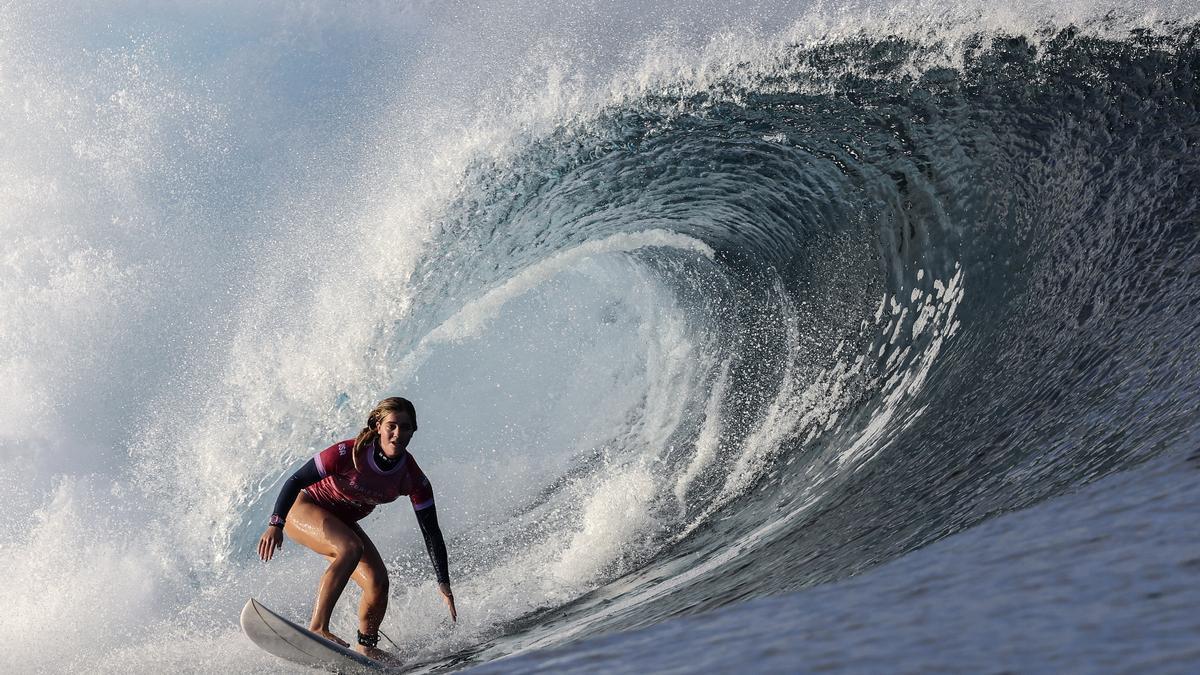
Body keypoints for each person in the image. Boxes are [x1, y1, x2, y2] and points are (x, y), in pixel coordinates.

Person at [256, 396, 456, 661]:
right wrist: (275, 524)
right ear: (377, 426)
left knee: (378, 583)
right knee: (350, 547)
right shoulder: (347, 453)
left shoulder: (413, 478)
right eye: (392, 426)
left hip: (341, 524)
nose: (398, 434)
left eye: (406, 428)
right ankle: (318, 627)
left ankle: (367, 646)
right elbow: (296, 480)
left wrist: (444, 585)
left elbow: (431, 531)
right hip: (302, 510)